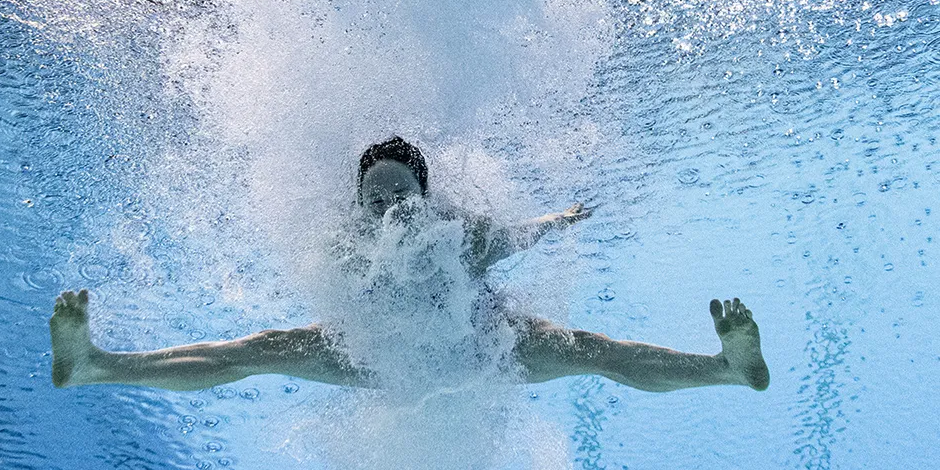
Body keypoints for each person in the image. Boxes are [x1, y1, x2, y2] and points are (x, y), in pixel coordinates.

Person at [49, 136, 770, 394]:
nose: (389, 207)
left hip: (483, 348)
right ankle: (94, 365)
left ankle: (726, 369)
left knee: (593, 351)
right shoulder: (343, 245)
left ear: (425, 198)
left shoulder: (463, 236)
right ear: (359, 201)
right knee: (256, 350)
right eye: (377, 197)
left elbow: (519, 235)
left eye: (401, 194)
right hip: (379, 359)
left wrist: (560, 220)